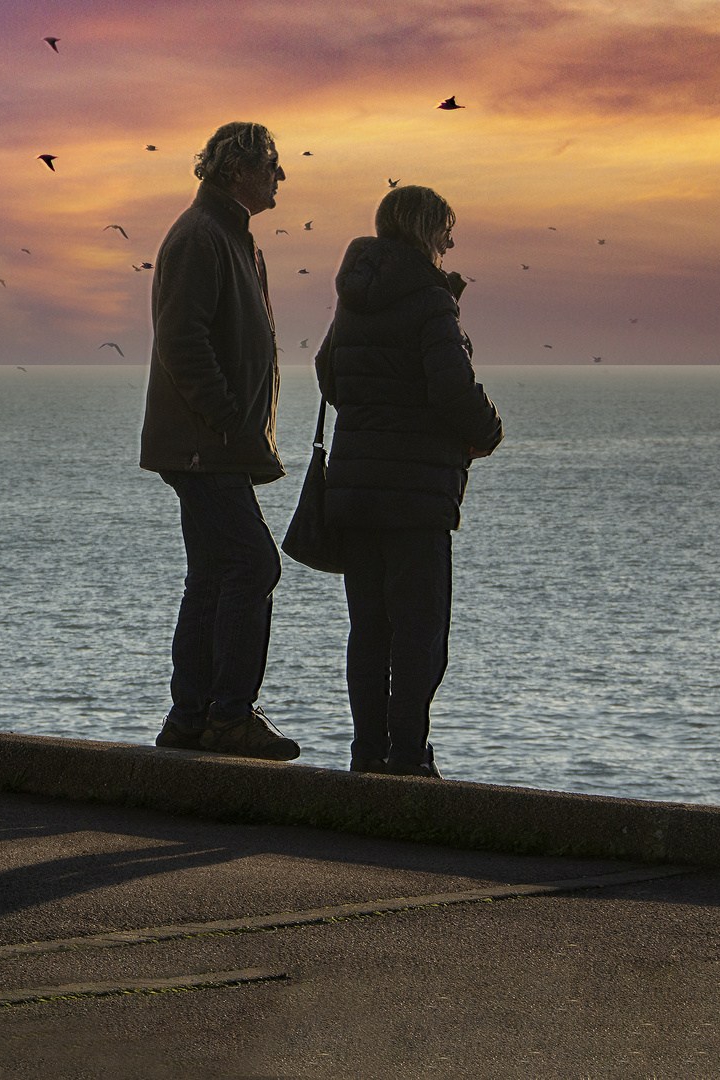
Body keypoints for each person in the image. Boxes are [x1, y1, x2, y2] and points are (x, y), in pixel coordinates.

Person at [315, 185, 502, 777]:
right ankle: (407, 756)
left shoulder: (353, 295)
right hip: (416, 495)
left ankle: (366, 752)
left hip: (356, 489)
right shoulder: (430, 298)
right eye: (447, 230)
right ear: (427, 232)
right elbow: (451, 389)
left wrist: (374, 413)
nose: (451, 243)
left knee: (368, 628)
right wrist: (488, 429)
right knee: (420, 633)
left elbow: (329, 373)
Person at [139, 121, 299, 761]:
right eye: (272, 166)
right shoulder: (202, 237)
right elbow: (182, 341)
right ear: (239, 170)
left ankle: (191, 717)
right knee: (253, 564)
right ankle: (228, 716)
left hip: (213, 443)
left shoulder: (231, 237)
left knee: (211, 576)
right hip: (207, 444)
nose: (280, 177)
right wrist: (229, 418)